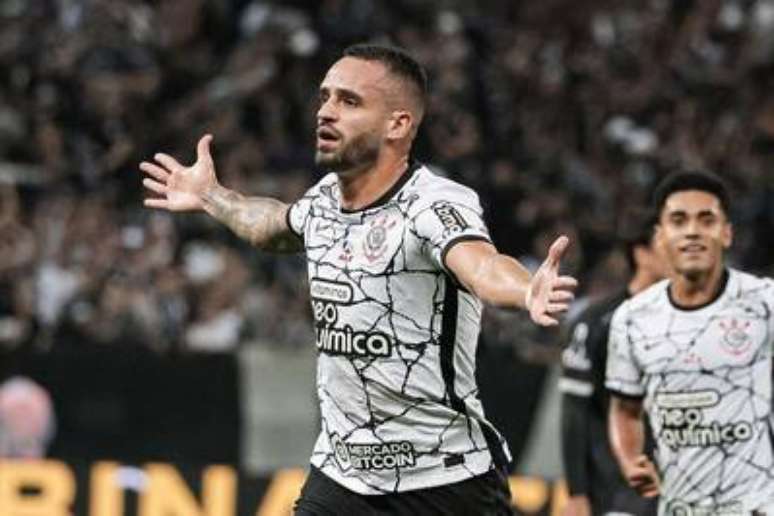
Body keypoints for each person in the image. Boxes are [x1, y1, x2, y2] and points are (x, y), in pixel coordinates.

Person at [139, 43, 577, 515]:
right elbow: (273, 225)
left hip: (444, 481)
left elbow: (482, 265)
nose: (326, 112)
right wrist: (212, 197)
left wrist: (526, 287)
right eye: (325, 97)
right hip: (342, 477)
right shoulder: (326, 199)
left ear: (398, 124)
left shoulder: (433, 204)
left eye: (349, 101)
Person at [606, 171, 774, 514]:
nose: (693, 231)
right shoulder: (631, 318)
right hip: (679, 506)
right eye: (679, 220)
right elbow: (625, 409)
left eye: (707, 219)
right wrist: (629, 459)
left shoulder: (765, 303)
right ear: (660, 236)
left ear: (726, 233)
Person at [560, 210, 666, 516]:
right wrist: (577, 492)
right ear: (642, 253)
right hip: (614, 489)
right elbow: (574, 407)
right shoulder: (598, 321)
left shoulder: (692, 323)